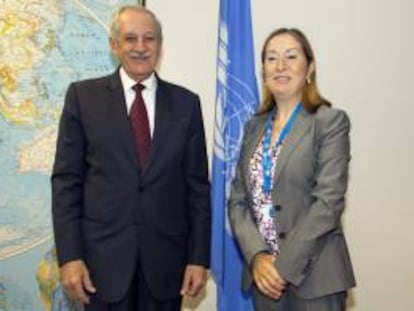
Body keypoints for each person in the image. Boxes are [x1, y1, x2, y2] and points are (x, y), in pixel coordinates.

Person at [51, 5, 211, 311]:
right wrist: (70, 258)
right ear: (114, 45)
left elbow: (198, 190)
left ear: (160, 46)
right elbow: (66, 184)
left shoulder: (186, 105)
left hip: (167, 268)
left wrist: (198, 258)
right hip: (101, 268)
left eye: (149, 39)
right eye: (130, 38)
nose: (140, 47)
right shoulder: (83, 98)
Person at [228, 28, 356, 310]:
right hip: (264, 281)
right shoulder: (253, 127)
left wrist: (282, 267)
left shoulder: (330, 122)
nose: (280, 65)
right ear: (263, 70)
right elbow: (237, 201)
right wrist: (258, 257)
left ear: (309, 67)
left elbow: (328, 202)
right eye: (271, 58)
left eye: (291, 56)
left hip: (315, 280)